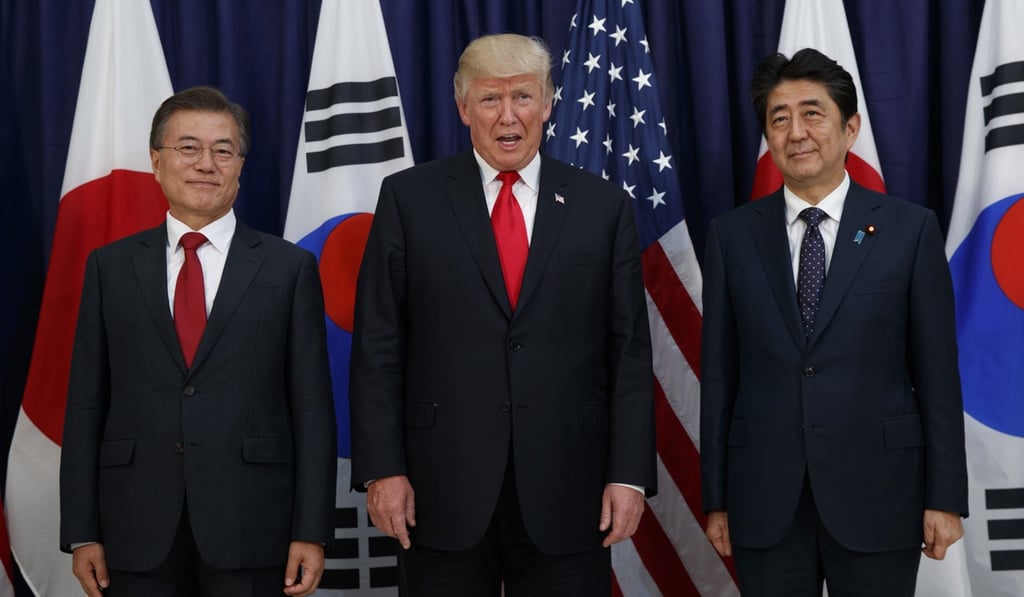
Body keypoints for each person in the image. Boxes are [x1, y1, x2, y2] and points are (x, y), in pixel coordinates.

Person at [349, 33, 656, 596]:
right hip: (438, 488)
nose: (508, 115)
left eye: (523, 96)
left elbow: (630, 352)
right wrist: (382, 469)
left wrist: (629, 473)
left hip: (570, 486)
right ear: (464, 109)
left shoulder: (602, 206)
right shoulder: (408, 199)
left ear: (548, 103)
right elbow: (377, 345)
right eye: (490, 99)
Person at [700, 48, 968, 596]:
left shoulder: (909, 231)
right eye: (779, 118)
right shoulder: (731, 237)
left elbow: (938, 376)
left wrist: (945, 497)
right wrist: (717, 498)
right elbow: (720, 377)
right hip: (765, 500)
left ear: (850, 128)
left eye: (812, 113)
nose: (795, 131)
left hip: (881, 495)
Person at [59, 86, 336, 597]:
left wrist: (311, 530)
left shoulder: (289, 268)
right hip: (134, 527)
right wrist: (81, 531)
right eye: (188, 148)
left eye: (223, 150)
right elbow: (85, 406)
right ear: (157, 162)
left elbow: (313, 410)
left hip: (254, 524)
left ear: (240, 165)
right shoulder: (110, 268)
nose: (206, 163)